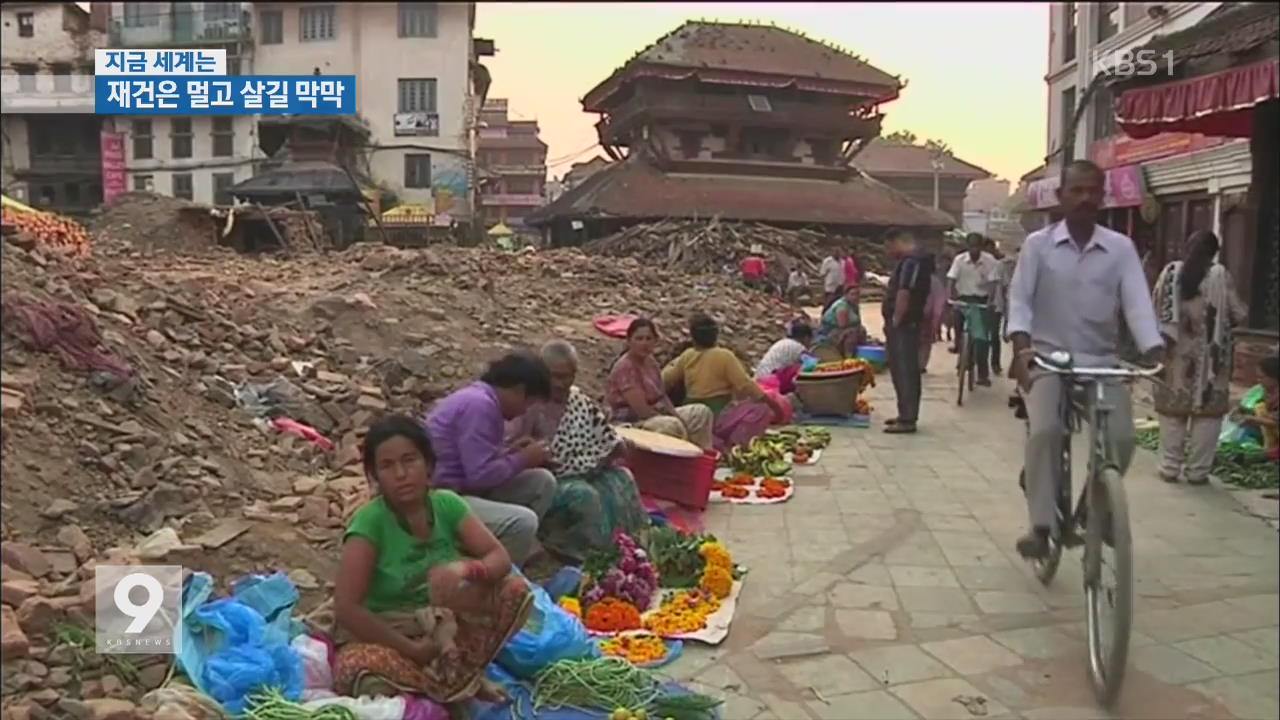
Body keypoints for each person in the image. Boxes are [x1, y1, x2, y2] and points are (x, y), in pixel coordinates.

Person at [1007, 160, 1164, 559]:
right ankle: (1041, 525)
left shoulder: (1120, 248)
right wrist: (1022, 350)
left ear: (1103, 196)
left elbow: (1137, 304)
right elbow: (1021, 302)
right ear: (1061, 197)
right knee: (1044, 431)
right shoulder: (1038, 246)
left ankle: (1098, 506)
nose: (1085, 198)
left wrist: (1154, 346)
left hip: (1100, 359)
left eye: (1093, 191)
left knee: (1123, 437)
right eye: (1076, 191)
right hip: (1048, 357)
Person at [329, 414, 532, 702]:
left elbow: (498, 557)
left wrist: (466, 569)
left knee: (514, 591)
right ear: (375, 477)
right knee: (357, 669)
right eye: (387, 466)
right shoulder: (369, 523)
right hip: (392, 633)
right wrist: (413, 650)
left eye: (409, 460)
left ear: (428, 465)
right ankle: (452, 683)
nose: (401, 474)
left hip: (445, 627)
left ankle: (462, 674)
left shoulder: (447, 505)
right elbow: (347, 608)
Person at [508, 341, 649, 562]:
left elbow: (604, 435)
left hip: (585, 469)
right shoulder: (530, 405)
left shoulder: (578, 401)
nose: (561, 383)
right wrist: (535, 453)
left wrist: (612, 449)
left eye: (567, 376)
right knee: (584, 496)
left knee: (622, 478)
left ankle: (630, 545)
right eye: (555, 376)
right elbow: (515, 449)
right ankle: (581, 552)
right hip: (548, 479)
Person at [425, 351, 557, 565]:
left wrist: (509, 452)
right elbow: (479, 476)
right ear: (519, 391)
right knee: (524, 522)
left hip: (464, 489)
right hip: (443, 498)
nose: (525, 411)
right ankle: (498, 581)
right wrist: (522, 459)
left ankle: (490, 552)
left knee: (542, 482)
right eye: (528, 404)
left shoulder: (485, 401)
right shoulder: (480, 405)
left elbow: (474, 457)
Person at [1151, 230, 1248, 484]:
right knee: (1208, 417)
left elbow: (1154, 309)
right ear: (1214, 252)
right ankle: (1197, 472)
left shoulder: (1170, 273)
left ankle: (1169, 468)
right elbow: (1238, 314)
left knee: (1173, 415)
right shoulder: (1220, 276)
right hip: (1212, 362)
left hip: (1175, 359)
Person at [663, 313, 789, 450]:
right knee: (760, 410)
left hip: (693, 416)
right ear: (716, 335)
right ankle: (735, 447)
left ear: (693, 338)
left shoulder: (687, 356)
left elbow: (665, 379)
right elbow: (747, 385)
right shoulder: (724, 356)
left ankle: (713, 441)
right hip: (718, 415)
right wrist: (774, 406)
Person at [606, 318, 716, 450]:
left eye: (648, 339)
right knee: (670, 425)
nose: (644, 343)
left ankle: (702, 455)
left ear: (655, 341)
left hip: (655, 415)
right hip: (630, 423)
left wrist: (676, 416)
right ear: (629, 341)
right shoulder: (625, 368)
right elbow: (642, 411)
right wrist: (673, 421)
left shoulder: (651, 362)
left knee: (701, 413)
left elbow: (662, 396)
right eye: (639, 339)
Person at [882, 230, 935, 434]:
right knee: (901, 369)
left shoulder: (911, 263)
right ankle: (904, 413)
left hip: (904, 325)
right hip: (905, 323)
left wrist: (896, 320)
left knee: (905, 369)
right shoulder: (912, 262)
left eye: (888, 246)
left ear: (898, 242)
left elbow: (905, 292)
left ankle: (907, 419)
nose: (887, 251)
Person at [947, 232, 999, 386]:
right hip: (963, 299)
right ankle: (962, 357)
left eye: (977, 246)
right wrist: (950, 296)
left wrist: (990, 300)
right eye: (971, 246)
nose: (974, 250)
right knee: (957, 326)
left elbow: (993, 284)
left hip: (981, 301)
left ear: (982, 247)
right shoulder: (959, 260)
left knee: (981, 338)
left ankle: (983, 374)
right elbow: (951, 279)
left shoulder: (990, 261)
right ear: (967, 247)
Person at [755, 321, 813, 393]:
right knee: (799, 370)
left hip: (759, 379)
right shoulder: (798, 346)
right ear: (806, 338)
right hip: (771, 381)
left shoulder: (783, 342)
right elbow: (812, 364)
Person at [985, 237, 1016, 376]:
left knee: (994, 335)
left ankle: (995, 364)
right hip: (986, 300)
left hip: (998, 302)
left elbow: (1004, 286)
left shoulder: (1004, 264)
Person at [1240, 355, 1279, 458]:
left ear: (1274, 378)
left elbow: (1276, 421)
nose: (1259, 380)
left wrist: (1255, 420)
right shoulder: (1264, 392)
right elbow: (1268, 415)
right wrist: (1245, 412)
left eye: (1262, 377)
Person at [819, 284, 865, 358]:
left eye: (857, 294)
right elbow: (842, 325)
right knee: (852, 334)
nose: (855, 297)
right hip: (831, 331)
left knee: (862, 330)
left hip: (846, 329)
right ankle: (848, 356)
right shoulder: (842, 306)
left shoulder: (855, 306)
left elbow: (858, 322)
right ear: (846, 295)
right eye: (852, 294)